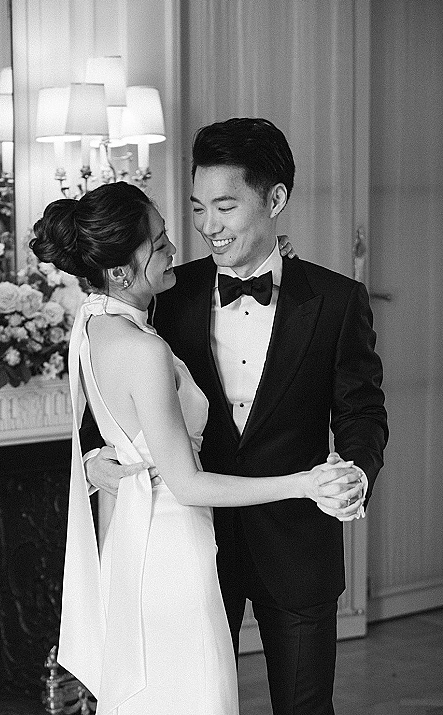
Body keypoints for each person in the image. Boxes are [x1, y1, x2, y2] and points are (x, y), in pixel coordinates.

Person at [85, 119, 388, 715]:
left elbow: (362, 410)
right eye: (198, 208)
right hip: (192, 545)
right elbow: (108, 379)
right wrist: (96, 454)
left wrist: (355, 472)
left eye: (225, 207)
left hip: (298, 545)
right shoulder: (165, 291)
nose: (207, 226)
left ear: (275, 199)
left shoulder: (336, 300)